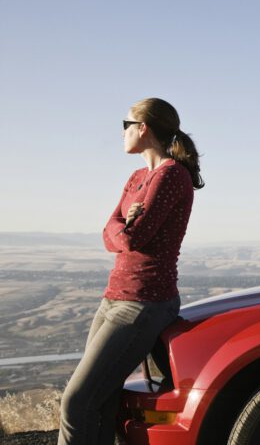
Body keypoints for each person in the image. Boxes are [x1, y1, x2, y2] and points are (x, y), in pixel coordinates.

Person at [58, 98, 204, 445]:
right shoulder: (138, 176)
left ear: (144, 129)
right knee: (102, 399)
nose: (122, 133)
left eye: (126, 125)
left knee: (76, 401)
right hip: (114, 298)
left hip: (143, 303)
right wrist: (123, 225)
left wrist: (124, 226)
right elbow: (111, 230)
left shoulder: (171, 175)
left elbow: (133, 236)